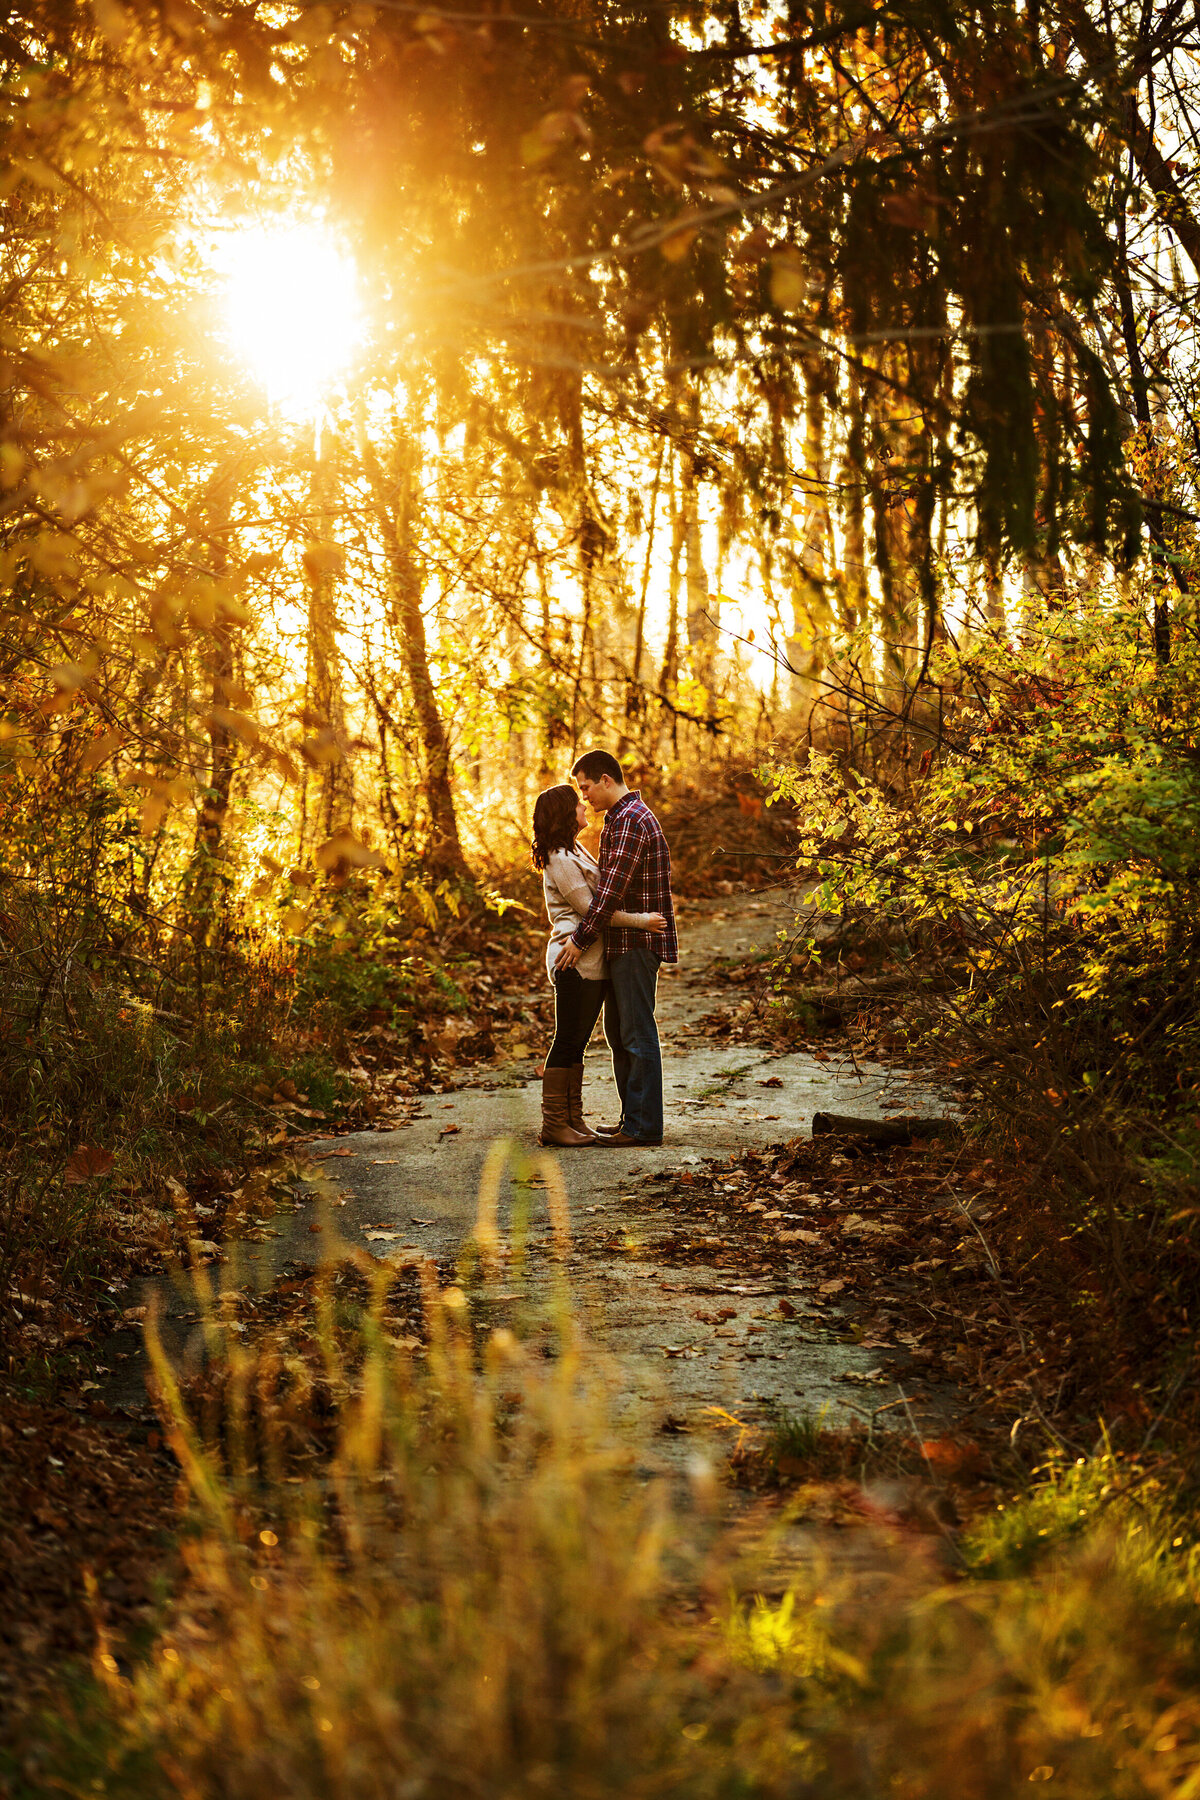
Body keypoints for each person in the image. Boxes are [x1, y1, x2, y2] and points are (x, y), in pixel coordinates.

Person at [532, 783, 667, 1148]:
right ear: (564, 813)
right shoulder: (559, 859)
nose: (584, 805)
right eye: (577, 803)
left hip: (590, 961)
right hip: (572, 959)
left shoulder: (573, 849)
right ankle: (555, 1124)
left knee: (577, 1044)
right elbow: (594, 911)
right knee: (568, 1041)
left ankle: (572, 1120)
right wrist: (642, 921)